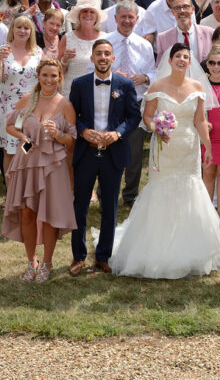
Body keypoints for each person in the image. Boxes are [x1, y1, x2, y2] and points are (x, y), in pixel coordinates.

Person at [106, 44, 220, 278]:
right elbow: (147, 116)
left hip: (189, 149)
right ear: (170, 61)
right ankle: (157, 249)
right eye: (177, 56)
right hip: (164, 149)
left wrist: (208, 147)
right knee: (162, 190)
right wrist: (157, 128)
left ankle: (190, 248)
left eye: (186, 57)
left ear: (190, 62)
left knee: (190, 190)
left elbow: (200, 120)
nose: (182, 59)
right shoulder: (157, 86)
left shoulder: (197, 87)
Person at [68, 39, 142, 275]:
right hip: (86, 152)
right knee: (80, 205)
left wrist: (117, 133)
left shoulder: (125, 84)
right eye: (98, 53)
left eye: (106, 53)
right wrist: (83, 131)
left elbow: (134, 117)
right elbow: (72, 114)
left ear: (113, 58)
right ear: (92, 58)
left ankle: (103, 256)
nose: (102, 57)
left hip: (113, 152)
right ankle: (78, 257)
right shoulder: (79, 84)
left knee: (110, 206)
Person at [3, 58, 77, 282]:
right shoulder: (28, 100)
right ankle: (31, 261)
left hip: (53, 167)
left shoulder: (65, 105)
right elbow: (10, 125)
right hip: (27, 162)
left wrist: (58, 135)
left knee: (48, 215)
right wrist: (23, 136)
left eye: (54, 75)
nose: (49, 79)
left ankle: (47, 262)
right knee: (27, 213)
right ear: (38, 75)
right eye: (45, 75)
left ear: (60, 77)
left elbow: (72, 141)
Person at [106, 1, 156, 206]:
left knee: (134, 152)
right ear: (115, 19)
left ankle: (130, 194)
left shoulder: (144, 45)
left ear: (137, 19)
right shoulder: (105, 42)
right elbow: (93, 69)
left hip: (136, 103)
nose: (127, 21)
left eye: (131, 17)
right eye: (123, 17)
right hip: (110, 103)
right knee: (109, 149)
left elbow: (153, 71)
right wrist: (111, 75)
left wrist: (144, 77)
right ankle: (106, 193)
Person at [0, 15, 43, 162]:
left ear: (31, 31)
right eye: (19, 27)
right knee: (10, 152)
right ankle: (10, 178)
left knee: (29, 148)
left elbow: (46, 77)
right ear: (12, 29)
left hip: (31, 107)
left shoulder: (38, 52)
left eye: (26, 28)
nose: (22, 31)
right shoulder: (3, 50)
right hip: (8, 107)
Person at [201, 44, 220, 224]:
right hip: (207, 137)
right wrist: (203, 123)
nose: (216, 66)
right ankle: (207, 217)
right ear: (207, 64)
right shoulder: (201, 84)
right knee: (208, 174)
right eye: (212, 63)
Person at [60, 0, 107, 95]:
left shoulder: (105, 39)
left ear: (97, 17)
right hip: (72, 93)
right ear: (79, 15)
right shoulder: (67, 38)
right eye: (84, 11)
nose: (88, 14)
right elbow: (58, 72)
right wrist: (65, 60)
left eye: (92, 12)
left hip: (97, 93)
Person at [154, 0, 215, 65]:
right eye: (178, 8)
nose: (182, 11)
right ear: (173, 12)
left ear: (192, 9)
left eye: (185, 7)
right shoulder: (163, 38)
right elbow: (160, 66)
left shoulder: (209, 33)